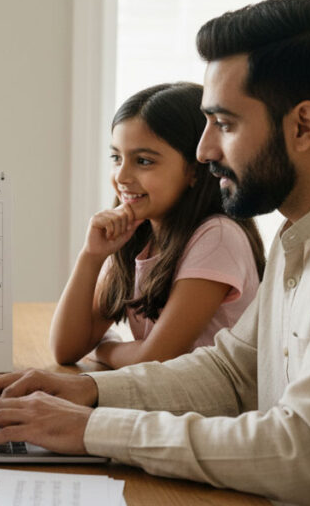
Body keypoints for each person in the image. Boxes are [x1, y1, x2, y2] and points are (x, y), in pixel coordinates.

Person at [0, 0, 310, 506]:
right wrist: (89, 392)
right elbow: (231, 373)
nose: (204, 148)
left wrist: (92, 430)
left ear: (304, 124)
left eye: (225, 123)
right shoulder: (303, 226)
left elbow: (307, 454)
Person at [50, 82, 264, 368]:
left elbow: (153, 360)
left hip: (212, 410)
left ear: (194, 170)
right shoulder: (137, 235)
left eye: (143, 161)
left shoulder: (217, 237)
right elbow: (65, 349)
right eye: (116, 157)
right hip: (163, 406)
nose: (121, 176)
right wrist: (91, 256)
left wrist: (106, 348)